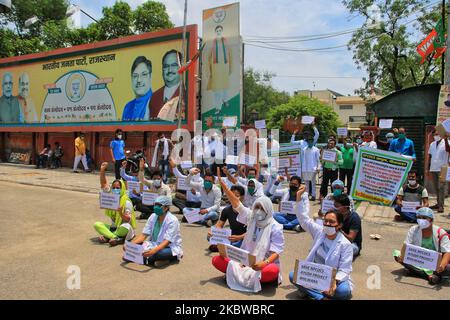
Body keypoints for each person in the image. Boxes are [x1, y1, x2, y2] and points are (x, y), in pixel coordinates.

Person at [214, 169, 284, 293]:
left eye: (261, 208)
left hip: (263, 263)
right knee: (217, 260)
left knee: (272, 271)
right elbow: (236, 204)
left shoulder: (275, 226)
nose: (258, 211)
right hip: (245, 259)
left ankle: (254, 277)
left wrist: (264, 263)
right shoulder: (252, 217)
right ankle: (250, 277)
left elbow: (277, 251)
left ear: (268, 209)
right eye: (256, 207)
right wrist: (223, 185)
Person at [289, 186, 353, 300]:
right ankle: (319, 297)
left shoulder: (345, 244)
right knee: (292, 275)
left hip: (332, 278)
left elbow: (345, 269)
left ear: (339, 225)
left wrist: (334, 282)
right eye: (326, 221)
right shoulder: (319, 231)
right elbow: (304, 219)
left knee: (344, 291)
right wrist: (298, 197)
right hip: (315, 274)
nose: (327, 224)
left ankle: (309, 291)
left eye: (332, 222)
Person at [393, 207, 450, 285]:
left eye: (424, 218)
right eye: (419, 217)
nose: (421, 220)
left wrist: (442, 266)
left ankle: (418, 272)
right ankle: (430, 276)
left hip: (436, 263)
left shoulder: (441, 232)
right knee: (396, 254)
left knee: (447, 268)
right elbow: (406, 245)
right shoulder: (413, 230)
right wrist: (401, 256)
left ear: (431, 220)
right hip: (418, 261)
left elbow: (447, 252)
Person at [127, 195, 183, 268]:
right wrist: (130, 245)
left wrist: (153, 251)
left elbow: (167, 242)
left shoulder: (173, 220)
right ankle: (151, 260)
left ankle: (169, 258)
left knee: (158, 253)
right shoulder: (153, 216)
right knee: (132, 251)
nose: (155, 207)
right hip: (153, 244)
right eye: (155, 204)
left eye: (159, 205)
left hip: (168, 247)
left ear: (166, 208)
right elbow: (144, 235)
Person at [94, 162, 137, 246]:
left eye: (118, 188)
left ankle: (108, 236)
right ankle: (115, 238)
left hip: (123, 227)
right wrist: (102, 170)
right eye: (113, 188)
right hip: (114, 228)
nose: (115, 189)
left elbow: (128, 220)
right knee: (97, 225)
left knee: (126, 227)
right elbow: (104, 185)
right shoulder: (111, 197)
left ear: (122, 189)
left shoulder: (126, 201)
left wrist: (120, 212)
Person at [207, 185, 247, 252]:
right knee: (209, 237)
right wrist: (214, 232)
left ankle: (226, 247)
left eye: (236, 196)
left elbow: (252, 232)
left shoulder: (247, 211)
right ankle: (226, 247)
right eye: (231, 196)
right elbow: (219, 225)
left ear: (242, 197)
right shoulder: (226, 210)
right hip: (231, 237)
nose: (233, 198)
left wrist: (240, 237)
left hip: (243, 238)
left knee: (239, 244)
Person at [207, 25, 232, 115]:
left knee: (225, 87)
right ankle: (218, 108)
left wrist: (230, 68)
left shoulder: (226, 42)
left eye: (220, 30)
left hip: (224, 68)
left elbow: (230, 55)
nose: (218, 32)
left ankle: (225, 100)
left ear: (222, 31)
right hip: (215, 70)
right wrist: (209, 71)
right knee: (217, 91)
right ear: (215, 32)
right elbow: (208, 58)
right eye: (217, 30)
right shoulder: (212, 43)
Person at [150, 50, 182, 120]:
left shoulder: (187, 95)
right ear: (162, 69)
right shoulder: (154, 97)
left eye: (174, 65)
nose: (170, 70)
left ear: (181, 67)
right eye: (166, 66)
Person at [122, 56, 153, 121]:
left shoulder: (155, 103)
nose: (139, 80)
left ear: (150, 77)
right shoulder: (128, 107)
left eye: (144, 74)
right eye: (135, 76)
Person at [427, 130, 449, 213]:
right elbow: (430, 156)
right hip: (433, 168)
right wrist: (427, 168)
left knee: (441, 187)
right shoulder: (432, 144)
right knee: (436, 188)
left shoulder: (446, 142)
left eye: (437, 134)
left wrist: (446, 139)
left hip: (442, 168)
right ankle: (438, 203)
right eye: (434, 134)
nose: (436, 136)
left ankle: (441, 206)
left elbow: (448, 150)